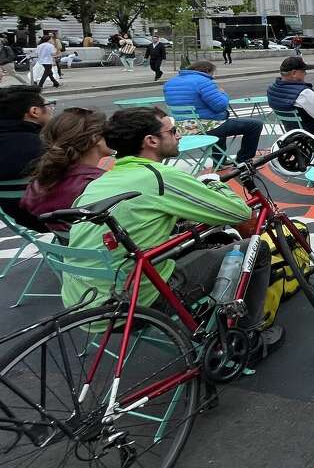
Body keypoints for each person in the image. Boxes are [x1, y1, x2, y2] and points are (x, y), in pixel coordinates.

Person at [63, 108, 281, 356]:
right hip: (138, 303)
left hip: (85, 306)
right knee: (256, 249)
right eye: (173, 131)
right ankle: (249, 339)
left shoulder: (101, 181)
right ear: (151, 141)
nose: (178, 137)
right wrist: (213, 182)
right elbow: (239, 213)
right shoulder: (158, 176)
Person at [19, 108, 109, 237]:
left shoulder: (43, 180)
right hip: (109, 251)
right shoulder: (98, 184)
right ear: (95, 139)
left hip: (70, 250)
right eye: (109, 132)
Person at [164, 60, 264, 164]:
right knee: (255, 125)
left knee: (221, 123)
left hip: (182, 128)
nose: (213, 77)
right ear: (207, 71)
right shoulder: (203, 82)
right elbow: (220, 106)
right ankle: (244, 160)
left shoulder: (170, 83)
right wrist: (223, 93)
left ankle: (220, 161)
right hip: (203, 127)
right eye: (212, 74)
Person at [0, 85, 54, 226]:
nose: (51, 109)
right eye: (49, 105)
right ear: (34, 111)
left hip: (16, 215)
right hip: (55, 217)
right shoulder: (42, 147)